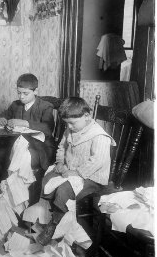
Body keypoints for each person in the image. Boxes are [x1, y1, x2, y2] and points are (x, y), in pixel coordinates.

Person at [36, 97, 115, 246]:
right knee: (47, 179)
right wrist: (60, 162)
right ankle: (49, 215)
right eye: (67, 123)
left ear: (87, 116)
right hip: (71, 169)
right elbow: (62, 147)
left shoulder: (99, 135)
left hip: (92, 178)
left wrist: (76, 173)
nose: (70, 127)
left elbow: (97, 161)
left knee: (64, 190)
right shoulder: (71, 130)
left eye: (72, 123)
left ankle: (54, 224)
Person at [0, 73, 56, 203]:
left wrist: (24, 123)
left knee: (19, 159)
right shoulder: (15, 105)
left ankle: (21, 200)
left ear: (36, 91)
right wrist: (1, 119)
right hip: (17, 144)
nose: (21, 97)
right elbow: (2, 115)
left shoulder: (45, 106)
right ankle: (3, 196)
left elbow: (48, 128)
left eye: (25, 93)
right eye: (19, 93)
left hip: (40, 148)